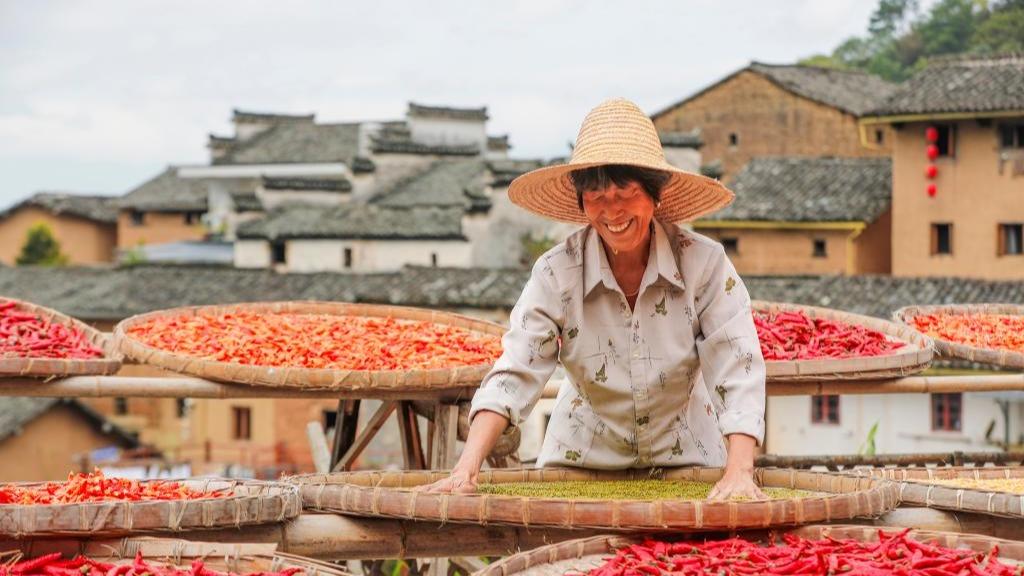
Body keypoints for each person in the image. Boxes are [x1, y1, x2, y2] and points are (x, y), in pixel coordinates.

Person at [423, 98, 766, 499]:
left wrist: (739, 470)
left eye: (626, 192)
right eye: (596, 196)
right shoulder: (557, 273)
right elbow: (517, 367)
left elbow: (736, 362)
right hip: (581, 460)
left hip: (688, 456)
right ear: (582, 203)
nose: (612, 211)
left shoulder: (703, 263)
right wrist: (466, 469)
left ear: (655, 197)